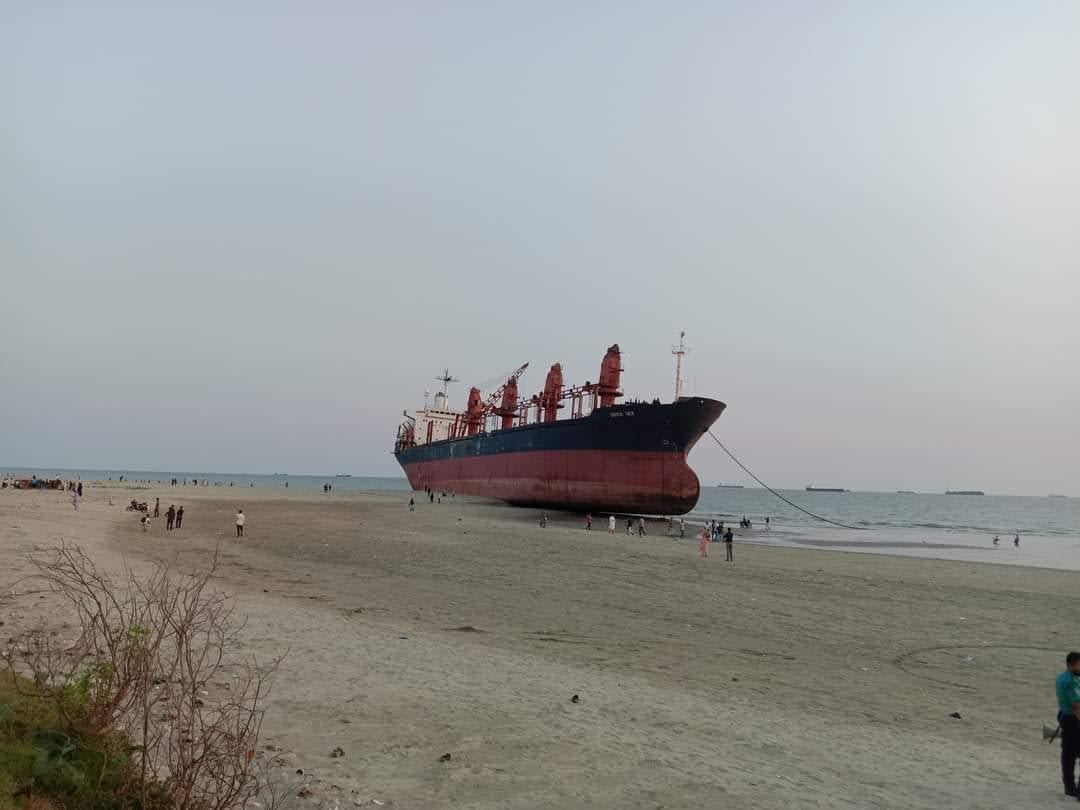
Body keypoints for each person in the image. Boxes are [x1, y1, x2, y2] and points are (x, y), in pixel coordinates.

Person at [1056, 652, 1080, 797]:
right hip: (1073, 719)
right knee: (1070, 754)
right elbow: (1077, 706)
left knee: (1068, 754)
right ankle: (1072, 787)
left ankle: (1069, 786)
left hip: (1066, 717)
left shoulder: (1063, 677)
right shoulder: (1070, 681)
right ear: (1071, 664)